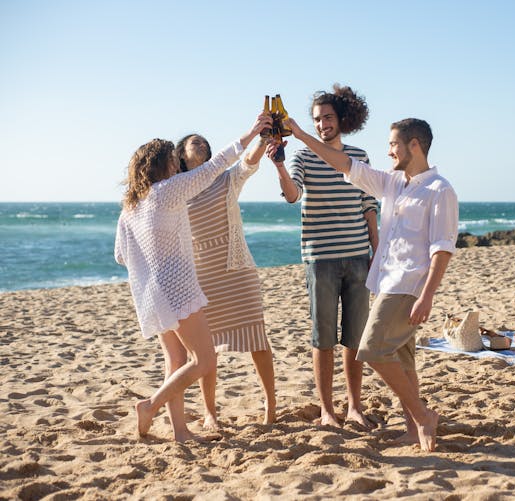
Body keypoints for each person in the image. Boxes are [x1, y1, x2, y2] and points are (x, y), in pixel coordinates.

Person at [278, 116, 458, 452]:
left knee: (371, 349)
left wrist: (428, 295)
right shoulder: (393, 183)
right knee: (403, 359)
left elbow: (442, 249)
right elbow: (344, 163)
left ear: (414, 145)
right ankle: (412, 429)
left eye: (393, 144)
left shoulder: (440, 190)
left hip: (410, 285)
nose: (388, 150)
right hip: (386, 281)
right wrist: (301, 134)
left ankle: (422, 416)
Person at [114, 111, 272, 442]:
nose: (175, 165)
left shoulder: (131, 206)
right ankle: (151, 405)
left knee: (176, 360)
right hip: (177, 287)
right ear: (162, 165)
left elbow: (120, 255)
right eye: (172, 160)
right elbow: (219, 165)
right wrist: (252, 131)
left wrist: (151, 257)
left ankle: (181, 432)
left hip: (149, 295)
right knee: (204, 359)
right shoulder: (166, 191)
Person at [267, 85, 378, 428]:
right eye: (317, 119)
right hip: (321, 258)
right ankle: (328, 411)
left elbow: (369, 205)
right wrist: (280, 166)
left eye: (328, 117)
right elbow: (291, 195)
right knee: (323, 337)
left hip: (359, 256)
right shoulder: (302, 157)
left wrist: (377, 250)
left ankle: (354, 407)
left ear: (341, 119)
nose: (322, 124)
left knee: (355, 338)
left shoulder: (359, 155)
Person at [174, 133, 276, 426]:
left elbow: (247, 163)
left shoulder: (223, 180)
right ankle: (210, 413)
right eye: (196, 143)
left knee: (257, 337)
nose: (203, 145)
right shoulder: (177, 189)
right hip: (201, 276)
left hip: (237, 270)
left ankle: (270, 405)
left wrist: (263, 140)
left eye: (205, 142)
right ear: (181, 154)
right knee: (207, 347)